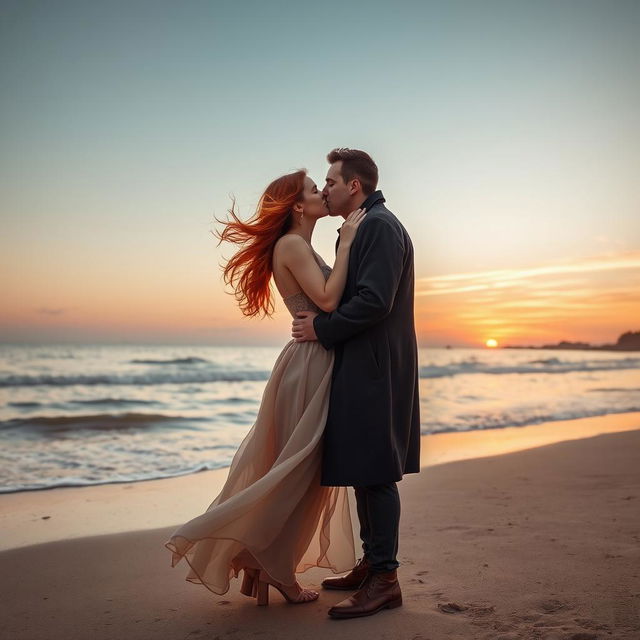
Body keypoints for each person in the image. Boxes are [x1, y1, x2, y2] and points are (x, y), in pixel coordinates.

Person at [164, 168, 367, 606]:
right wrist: (349, 243)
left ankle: (263, 564)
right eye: (314, 190)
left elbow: (328, 303)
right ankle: (272, 568)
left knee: (299, 470)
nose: (321, 195)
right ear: (297, 206)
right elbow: (330, 301)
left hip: (312, 360)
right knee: (298, 472)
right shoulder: (292, 245)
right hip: (309, 364)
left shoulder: (299, 245)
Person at [291, 148, 421, 619]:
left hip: (376, 364)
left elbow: (374, 301)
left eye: (330, 181)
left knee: (377, 472)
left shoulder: (380, 226)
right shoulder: (365, 225)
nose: (325, 189)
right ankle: (372, 565)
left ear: (355, 186)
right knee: (367, 470)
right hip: (367, 360)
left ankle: (385, 579)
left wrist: (320, 330)